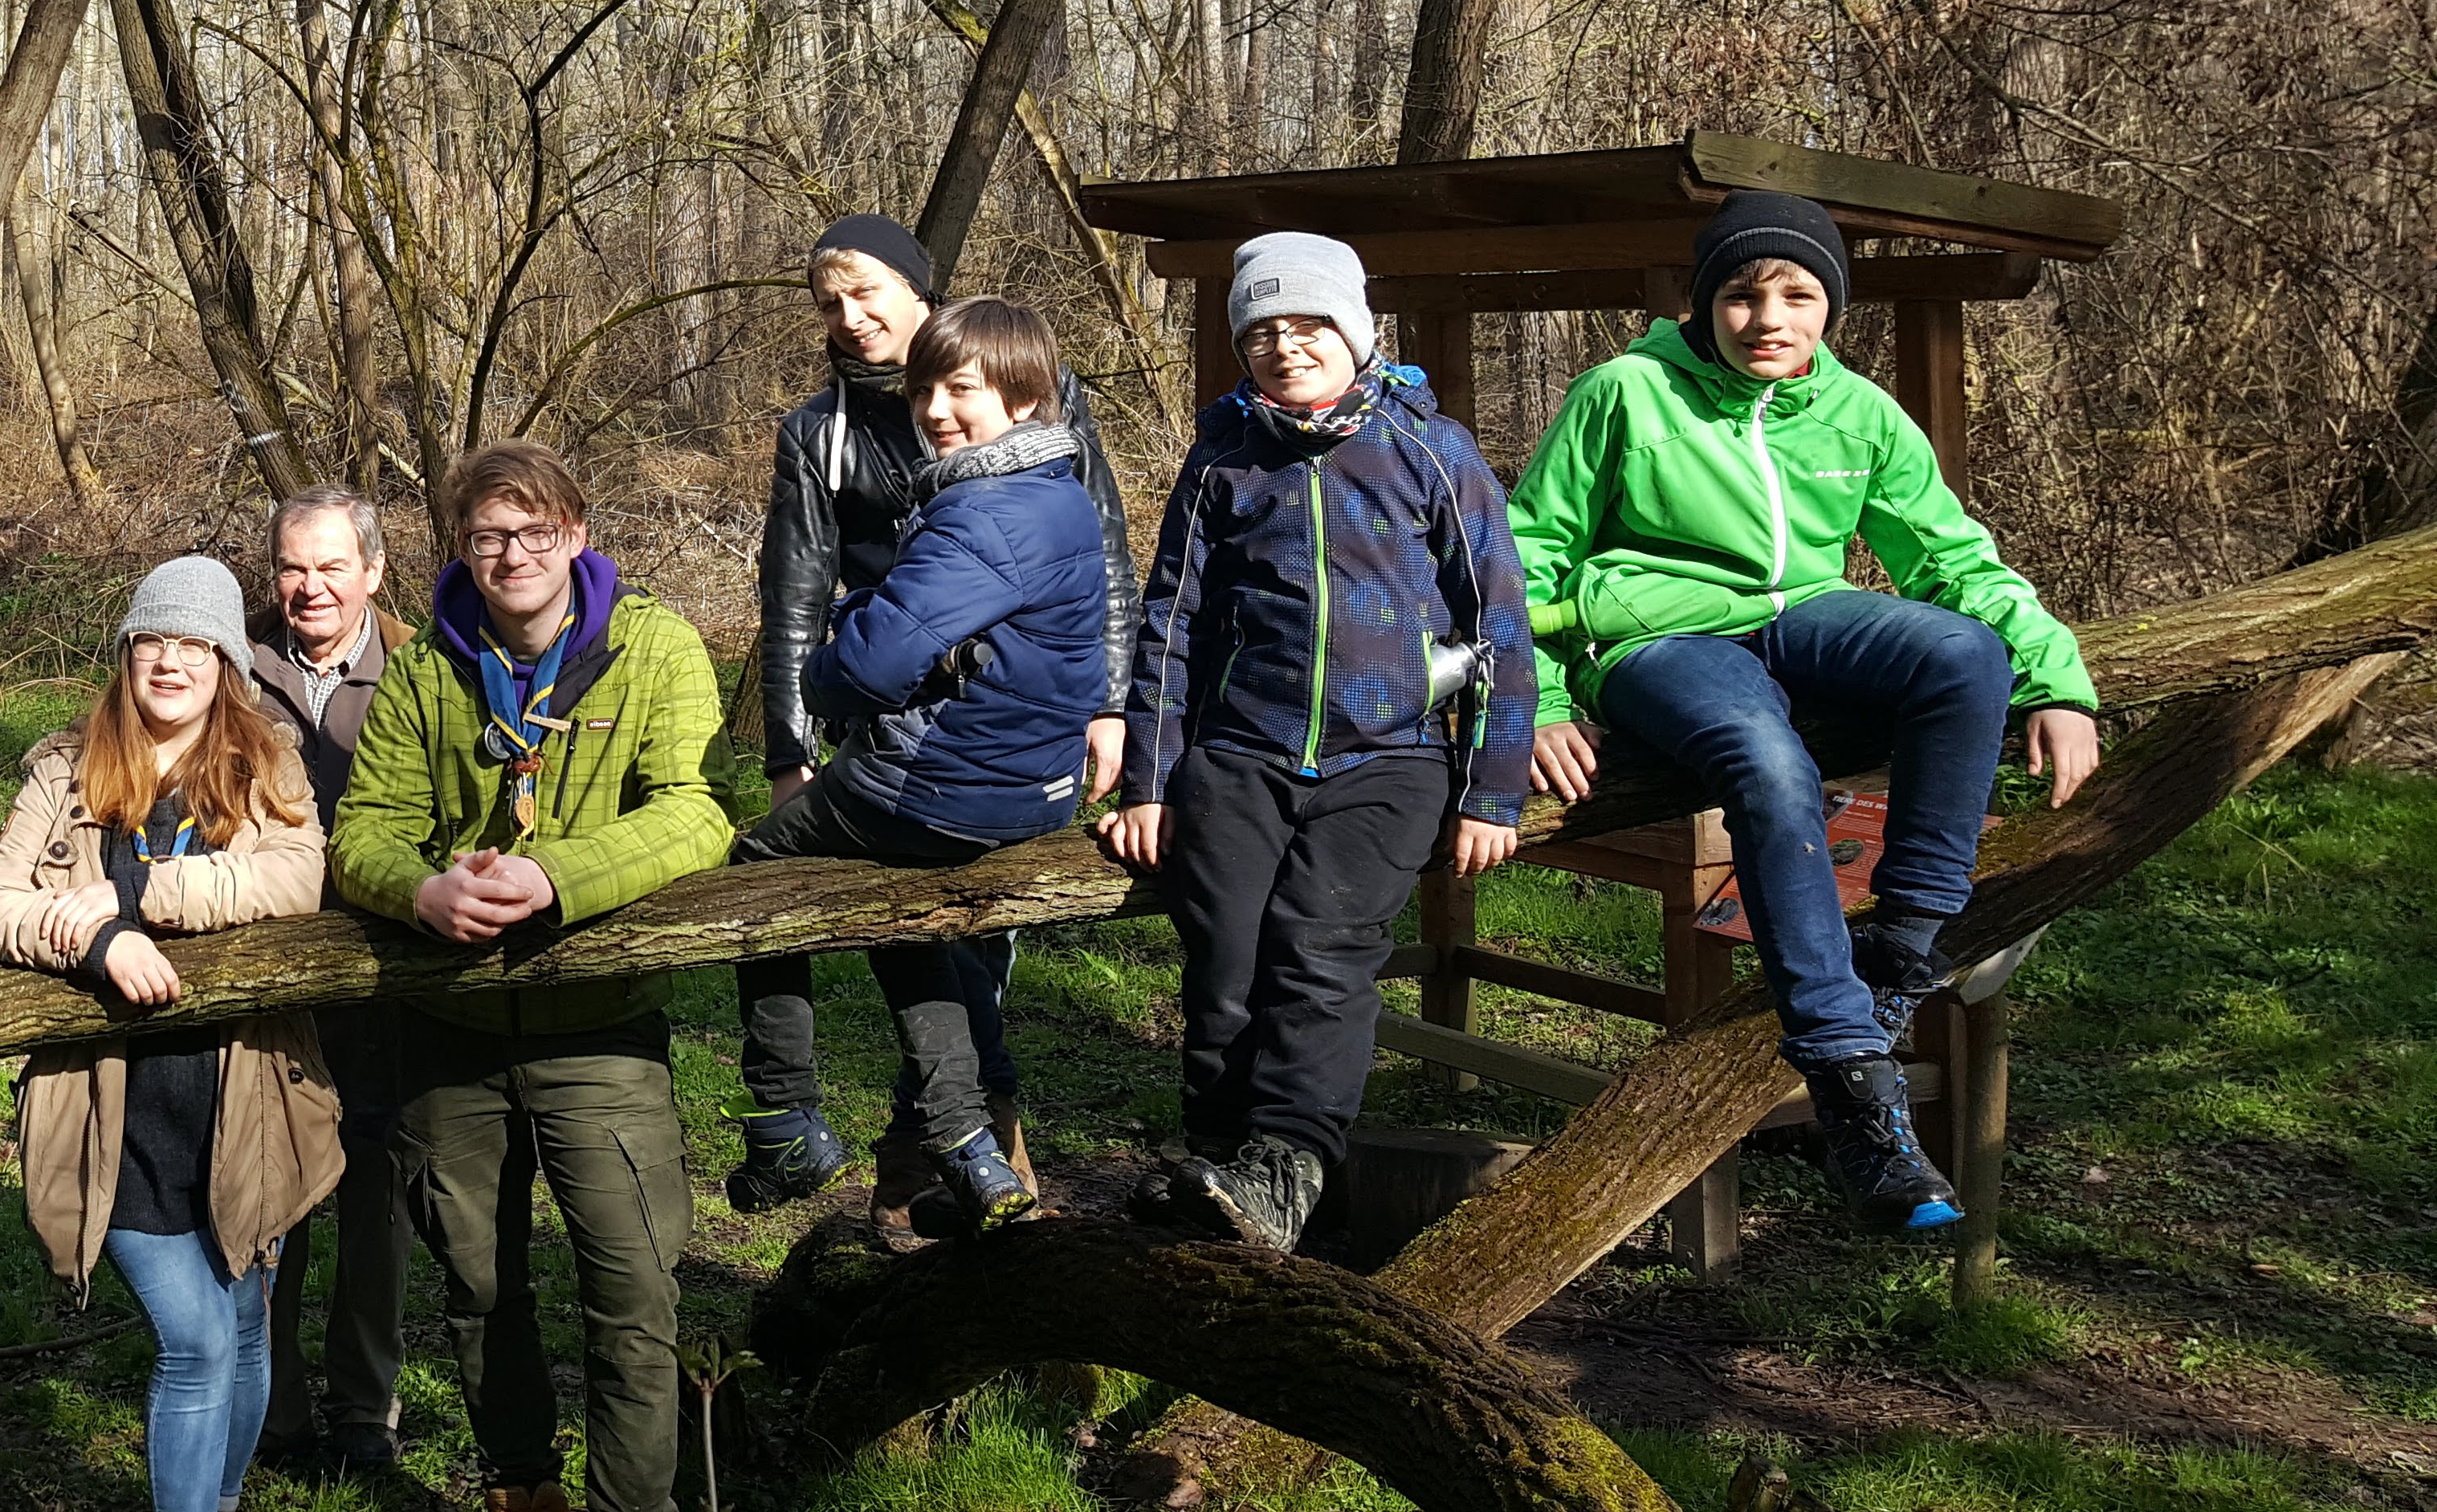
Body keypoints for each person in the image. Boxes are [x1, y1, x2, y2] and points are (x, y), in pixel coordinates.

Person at [1509, 192, 2100, 1235]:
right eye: (1742, 294)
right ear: (1707, 303)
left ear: (1831, 304)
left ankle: (1901, 958)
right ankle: (1853, 1091)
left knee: (1963, 655)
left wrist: (2056, 681)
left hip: (1808, 616)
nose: (1770, 317)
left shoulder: (1858, 412)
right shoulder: (1626, 393)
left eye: (1799, 293)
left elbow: (1955, 560)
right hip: (1657, 638)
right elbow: (1529, 551)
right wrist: (1543, 698)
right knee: (1767, 761)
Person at [1098, 233, 1537, 1253]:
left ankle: (1286, 1164)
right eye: (1261, 332)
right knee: (1224, 955)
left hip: (1389, 757)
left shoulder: (1428, 449)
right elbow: (1171, 625)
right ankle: (1212, 1161)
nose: (1285, 348)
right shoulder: (1222, 460)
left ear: (1354, 332)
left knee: (1318, 950)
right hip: (1241, 752)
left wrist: (1491, 790)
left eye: (1307, 327)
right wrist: (1149, 783)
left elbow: (1498, 623)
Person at [333, 442, 732, 1512]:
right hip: (450, 1032)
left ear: (578, 535)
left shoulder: (651, 648)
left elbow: (699, 811)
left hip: (600, 1029)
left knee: (632, 1294)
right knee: (478, 1289)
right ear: (462, 549)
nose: (512, 555)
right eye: (488, 537)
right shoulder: (426, 669)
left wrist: (560, 876)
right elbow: (363, 827)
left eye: (535, 531)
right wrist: (419, 890)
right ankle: (524, 1506)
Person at [757, 214, 1137, 1215]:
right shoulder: (819, 431)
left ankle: (967, 1149)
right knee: (907, 910)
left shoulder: (1027, 401)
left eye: (867, 294)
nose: (849, 318)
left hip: (983, 715)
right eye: (829, 304)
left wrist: (1106, 703)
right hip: (892, 714)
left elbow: (1101, 553)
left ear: (917, 294)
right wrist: (790, 742)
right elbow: (794, 590)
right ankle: (935, 1166)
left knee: (965, 935)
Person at [0, 558, 341, 1512]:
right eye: (151, 641)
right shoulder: (62, 767)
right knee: (195, 1336)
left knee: (249, 1322)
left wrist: (142, 900)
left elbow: (296, 880)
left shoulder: (267, 768)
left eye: (193, 645)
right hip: (109, 1117)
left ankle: (218, 1497)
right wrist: (93, 941)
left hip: (243, 1100)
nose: (169, 661)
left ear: (225, 662)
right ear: (126, 653)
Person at [239, 487, 426, 1475]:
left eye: (329, 567)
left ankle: (365, 1409)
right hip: (263, 977)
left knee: (375, 1187)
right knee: (270, 1188)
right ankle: (271, 1407)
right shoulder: (233, 662)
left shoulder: (418, 666)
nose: (307, 587)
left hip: (382, 972)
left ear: (371, 572)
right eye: (290, 568)